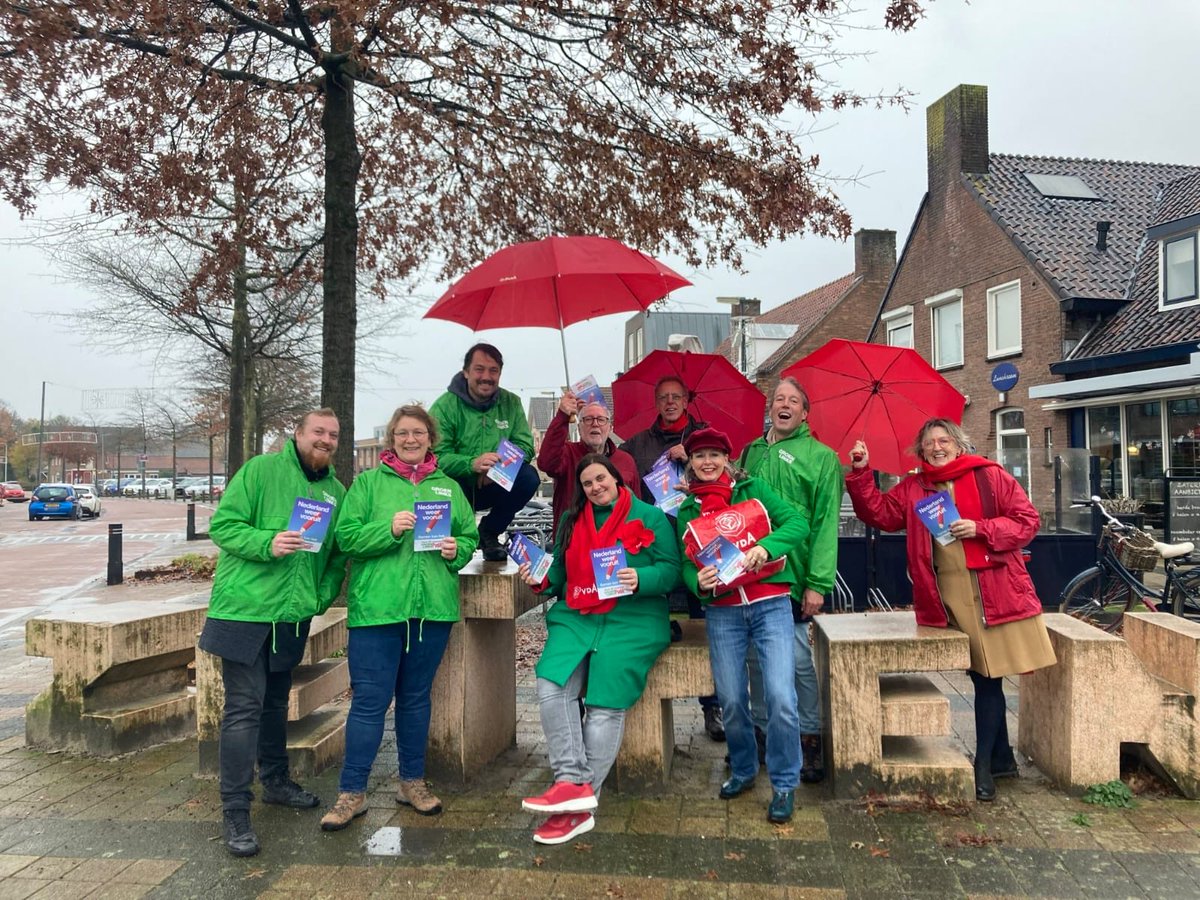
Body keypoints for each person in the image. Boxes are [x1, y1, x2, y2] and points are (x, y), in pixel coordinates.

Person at [846, 418, 1056, 802]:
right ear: (920, 450)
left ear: (959, 445)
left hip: (992, 591)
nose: (936, 448)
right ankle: (1002, 758)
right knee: (982, 675)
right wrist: (861, 473)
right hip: (947, 596)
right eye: (929, 443)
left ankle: (983, 766)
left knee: (988, 677)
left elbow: (1027, 522)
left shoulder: (989, 476)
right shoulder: (915, 487)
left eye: (943, 440)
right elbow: (881, 514)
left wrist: (981, 528)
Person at [320, 404, 478, 831]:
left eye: (418, 433)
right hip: (378, 611)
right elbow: (346, 537)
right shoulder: (368, 484)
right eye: (403, 433)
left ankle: (411, 782)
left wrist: (457, 550)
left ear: (430, 439)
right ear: (392, 439)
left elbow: (468, 535)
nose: (411, 440)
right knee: (369, 702)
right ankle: (351, 792)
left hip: (431, 611)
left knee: (415, 699)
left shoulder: (449, 487)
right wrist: (387, 530)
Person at [198, 408, 348, 858]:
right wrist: (268, 542)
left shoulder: (335, 492)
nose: (326, 440)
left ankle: (276, 781)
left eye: (333, 434)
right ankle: (235, 809)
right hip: (244, 610)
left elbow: (335, 556)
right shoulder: (260, 471)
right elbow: (224, 526)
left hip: (292, 615)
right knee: (244, 708)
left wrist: (320, 597)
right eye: (318, 431)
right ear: (298, 434)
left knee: (276, 703)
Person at [517, 454, 679, 845]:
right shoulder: (571, 521)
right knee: (551, 684)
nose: (595, 487)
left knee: (605, 704)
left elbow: (671, 571)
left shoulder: (651, 516)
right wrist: (539, 578)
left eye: (601, 478)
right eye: (587, 483)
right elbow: (559, 573)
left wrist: (640, 577)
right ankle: (571, 781)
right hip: (578, 615)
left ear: (616, 478)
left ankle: (579, 809)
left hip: (632, 619)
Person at [675, 428, 810, 824]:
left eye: (715, 454)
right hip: (724, 612)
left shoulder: (754, 489)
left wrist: (766, 547)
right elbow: (685, 563)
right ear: (691, 463)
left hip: (771, 604)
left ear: (727, 459)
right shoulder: (687, 509)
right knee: (732, 699)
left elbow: (797, 524)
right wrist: (697, 582)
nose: (708, 462)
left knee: (781, 696)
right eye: (700, 456)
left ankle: (784, 782)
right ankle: (745, 768)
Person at [739, 377, 842, 783]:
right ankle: (763, 732)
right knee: (755, 659)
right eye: (778, 399)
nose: (784, 405)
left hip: (794, 576)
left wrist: (818, 582)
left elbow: (826, 522)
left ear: (804, 412)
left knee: (798, 661)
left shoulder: (822, 457)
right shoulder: (750, 451)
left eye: (793, 400)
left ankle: (808, 735)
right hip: (751, 575)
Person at [619, 375, 722, 740]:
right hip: (655, 547)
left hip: (699, 541)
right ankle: (647, 704)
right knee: (656, 621)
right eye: (663, 397)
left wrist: (691, 458)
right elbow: (617, 472)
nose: (670, 402)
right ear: (656, 402)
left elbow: (728, 481)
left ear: (687, 400)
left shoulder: (704, 437)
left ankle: (713, 706)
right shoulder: (638, 444)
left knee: (706, 623)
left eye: (676, 396)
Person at [429, 343, 538, 561]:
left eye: (493, 370)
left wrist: (496, 468)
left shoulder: (511, 402)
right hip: (456, 484)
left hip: (494, 482)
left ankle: (489, 533)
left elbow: (526, 446)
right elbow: (435, 456)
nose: (486, 377)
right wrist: (472, 464)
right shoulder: (444, 406)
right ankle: (448, 544)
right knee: (441, 485)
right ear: (466, 372)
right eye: (479, 369)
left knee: (529, 477)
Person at [536, 392, 638, 542]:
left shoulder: (626, 460)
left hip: (617, 544)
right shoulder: (566, 454)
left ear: (610, 427)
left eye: (601, 419)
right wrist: (562, 416)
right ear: (579, 428)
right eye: (588, 419)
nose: (595, 424)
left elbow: (636, 506)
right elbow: (545, 462)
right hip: (573, 542)